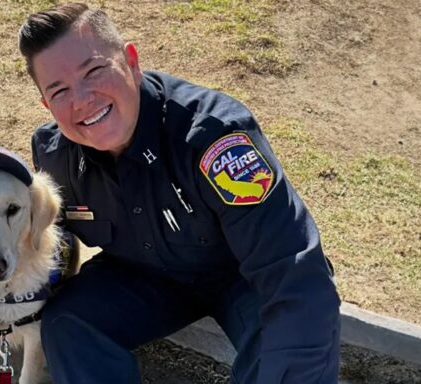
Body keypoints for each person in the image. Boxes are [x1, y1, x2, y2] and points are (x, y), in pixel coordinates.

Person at [18, 3, 341, 383]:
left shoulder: (213, 139)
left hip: (240, 274)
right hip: (143, 275)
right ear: (46, 104)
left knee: (290, 338)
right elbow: (46, 245)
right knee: (68, 322)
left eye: (94, 71)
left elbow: (293, 273)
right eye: (59, 91)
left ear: (132, 62)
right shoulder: (56, 157)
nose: (82, 99)